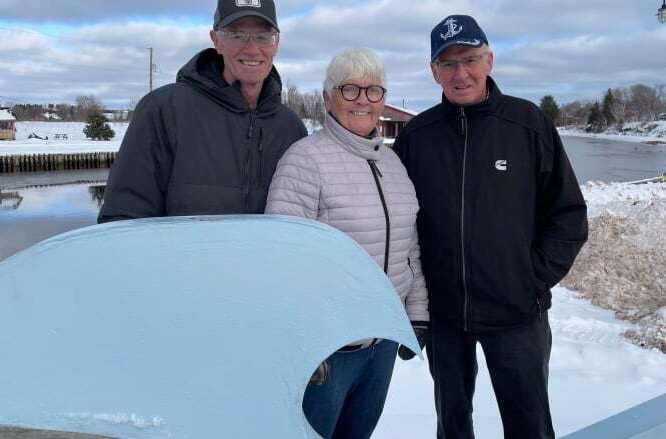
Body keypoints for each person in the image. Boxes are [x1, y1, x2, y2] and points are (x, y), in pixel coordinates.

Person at [394, 15, 588, 439]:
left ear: (489, 60)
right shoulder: (417, 137)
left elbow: (568, 215)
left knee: (529, 425)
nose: (460, 73)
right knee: (452, 424)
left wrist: (531, 279)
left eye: (469, 59)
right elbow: (398, 221)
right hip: (445, 316)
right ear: (433, 72)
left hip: (516, 315)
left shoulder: (527, 124)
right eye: (447, 64)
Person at [265, 47, 429, 439]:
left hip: (382, 345)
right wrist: (307, 344)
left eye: (373, 91)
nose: (363, 101)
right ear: (327, 98)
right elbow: (281, 262)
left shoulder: (392, 164)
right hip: (330, 354)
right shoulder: (305, 160)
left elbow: (410, 248)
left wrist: (417, 316)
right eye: (350, 89)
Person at [98, 0, 306, 223]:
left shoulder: (291, 129)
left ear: (276, 43)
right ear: (217, 41)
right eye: (236, 35)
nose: (252, 48)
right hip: (182, 258)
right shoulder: (164, 111)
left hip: (266, 258)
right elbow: (122, 221)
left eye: (263, 36)